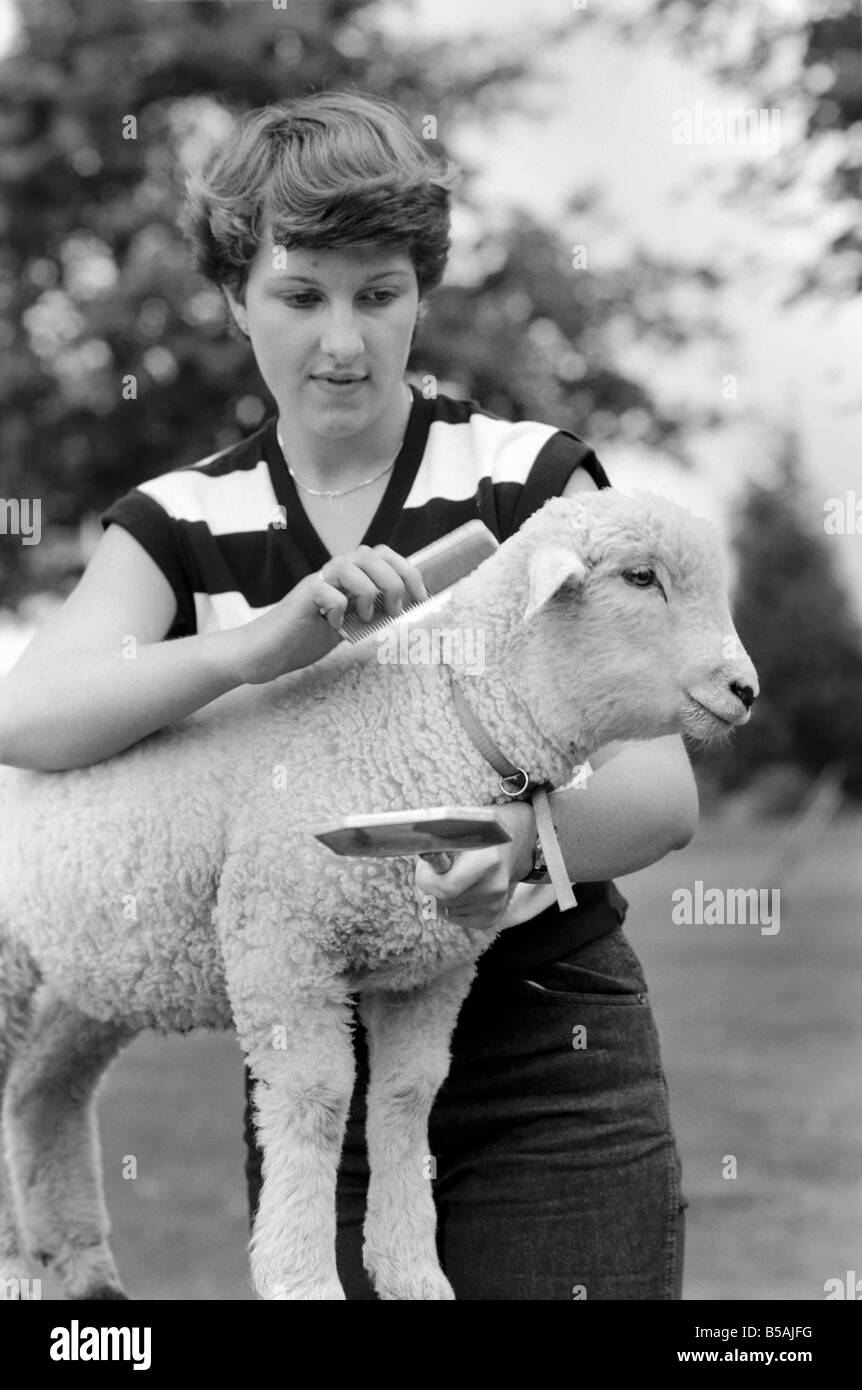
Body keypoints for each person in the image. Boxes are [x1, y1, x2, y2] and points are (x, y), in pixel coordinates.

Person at [0, 90, 698, 1300]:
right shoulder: (181, 519)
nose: (343, 341)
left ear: (421, 291)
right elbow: (27, 715)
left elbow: (654, 793)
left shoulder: (526, 483)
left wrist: (415, 884)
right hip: (314, 1066)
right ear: (234, 299)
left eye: (379, 294)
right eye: (299, 294)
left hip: (550, 1056)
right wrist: (247, 652)